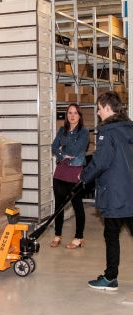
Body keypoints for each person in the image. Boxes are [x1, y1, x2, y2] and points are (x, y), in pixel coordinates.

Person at [80, 91, 133, 291]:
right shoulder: (130, 128)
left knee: (111, 236)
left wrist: (83, 176)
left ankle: (110, 278)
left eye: (100, 109)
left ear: (108, 108)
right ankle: (110, 276)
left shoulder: (107, 131)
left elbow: (100, 162)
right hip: (131, 192)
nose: (98, 112)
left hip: (115, 195)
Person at [50, 103, 89, 249]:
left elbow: (76, 149)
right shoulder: (62, 130)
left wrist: (63, 148)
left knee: (77, 206)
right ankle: (57, 235)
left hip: (75, 172)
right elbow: (54, 147)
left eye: (75, 113)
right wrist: (63, 152)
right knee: (58, 206)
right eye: (69, 113)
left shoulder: (84, 132)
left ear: (79, 115)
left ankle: (78, 238)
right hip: (60, 171)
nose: (72, 116)